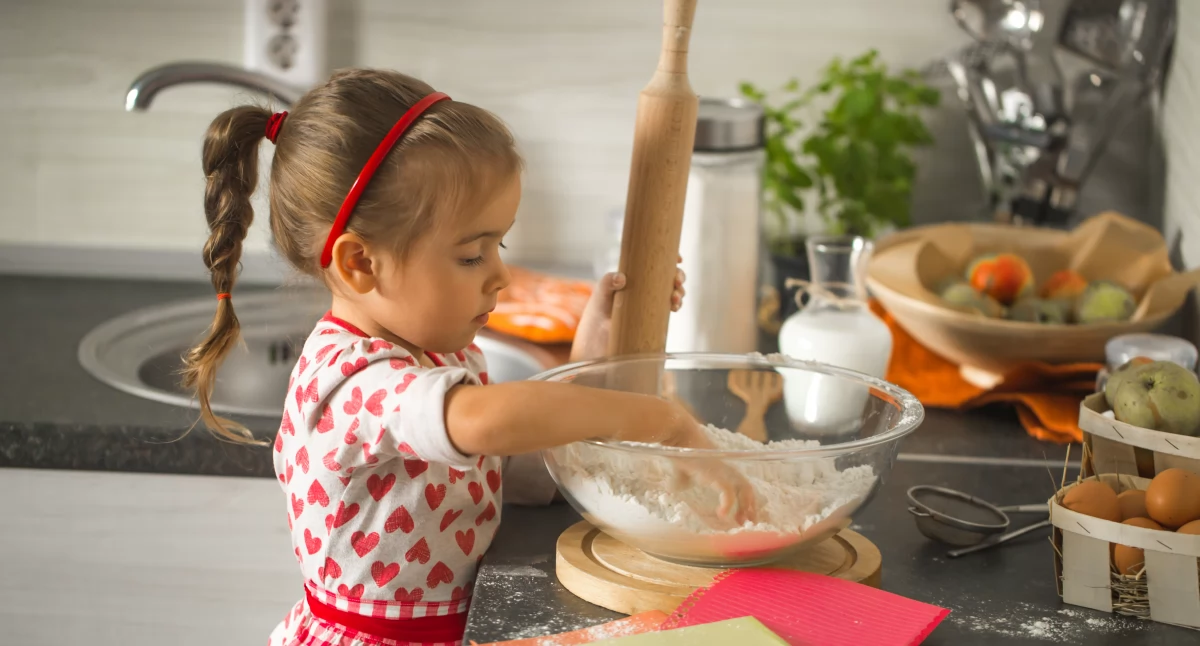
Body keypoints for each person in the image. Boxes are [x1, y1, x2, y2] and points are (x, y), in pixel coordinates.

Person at [184, 68, 754, 646]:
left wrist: (593, 353)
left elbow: (510, 464)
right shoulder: (348, 381)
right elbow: (483, 423)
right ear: (361, 262)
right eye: (471, 255)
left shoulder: (439, 359)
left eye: (497, 245)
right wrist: (657, 420)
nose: (501, 275)